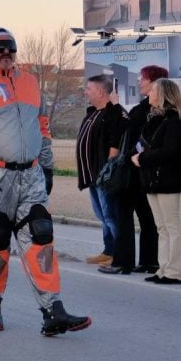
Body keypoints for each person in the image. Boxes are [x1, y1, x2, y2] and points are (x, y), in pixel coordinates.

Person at [0, 27, 90, 336]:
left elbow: (42, 126)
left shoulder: (30, 82)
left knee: (41, 237)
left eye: (10, 47)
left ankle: (52, 310)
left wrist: (47, 166)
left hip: (29, 175)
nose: (6, 52)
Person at [127, 78, 181, 285]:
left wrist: (143, 158)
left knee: (172, 226)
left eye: (153, 90)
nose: (149, 94)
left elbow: (170, 151)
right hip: (152, 179)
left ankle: (175, 272)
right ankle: (162, 268)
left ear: (163, 94)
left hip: (168, 179)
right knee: (161, 227)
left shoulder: (176, 120)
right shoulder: (155, 119)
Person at [111, 66, 164, 274]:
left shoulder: (147, 109)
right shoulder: (159, 109)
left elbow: (129, 129)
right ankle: (149, 260)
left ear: (153, 82)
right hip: (145, 171)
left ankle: (123, 262)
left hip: (134, 171)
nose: (139, 82)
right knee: (147, 217)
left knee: (124, 215)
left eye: (142, 79)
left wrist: (117, 107)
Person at [75, 75, 126, 265]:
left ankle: (119, 254)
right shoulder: (92, 113)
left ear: (101, 92)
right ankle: (109, 250)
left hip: (104, 176)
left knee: (110, 215)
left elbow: (116, 140)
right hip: (92, 177)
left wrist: (108, 170)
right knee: (102, 215)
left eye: (89, 89)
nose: (85, 92)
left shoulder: (111, 115)